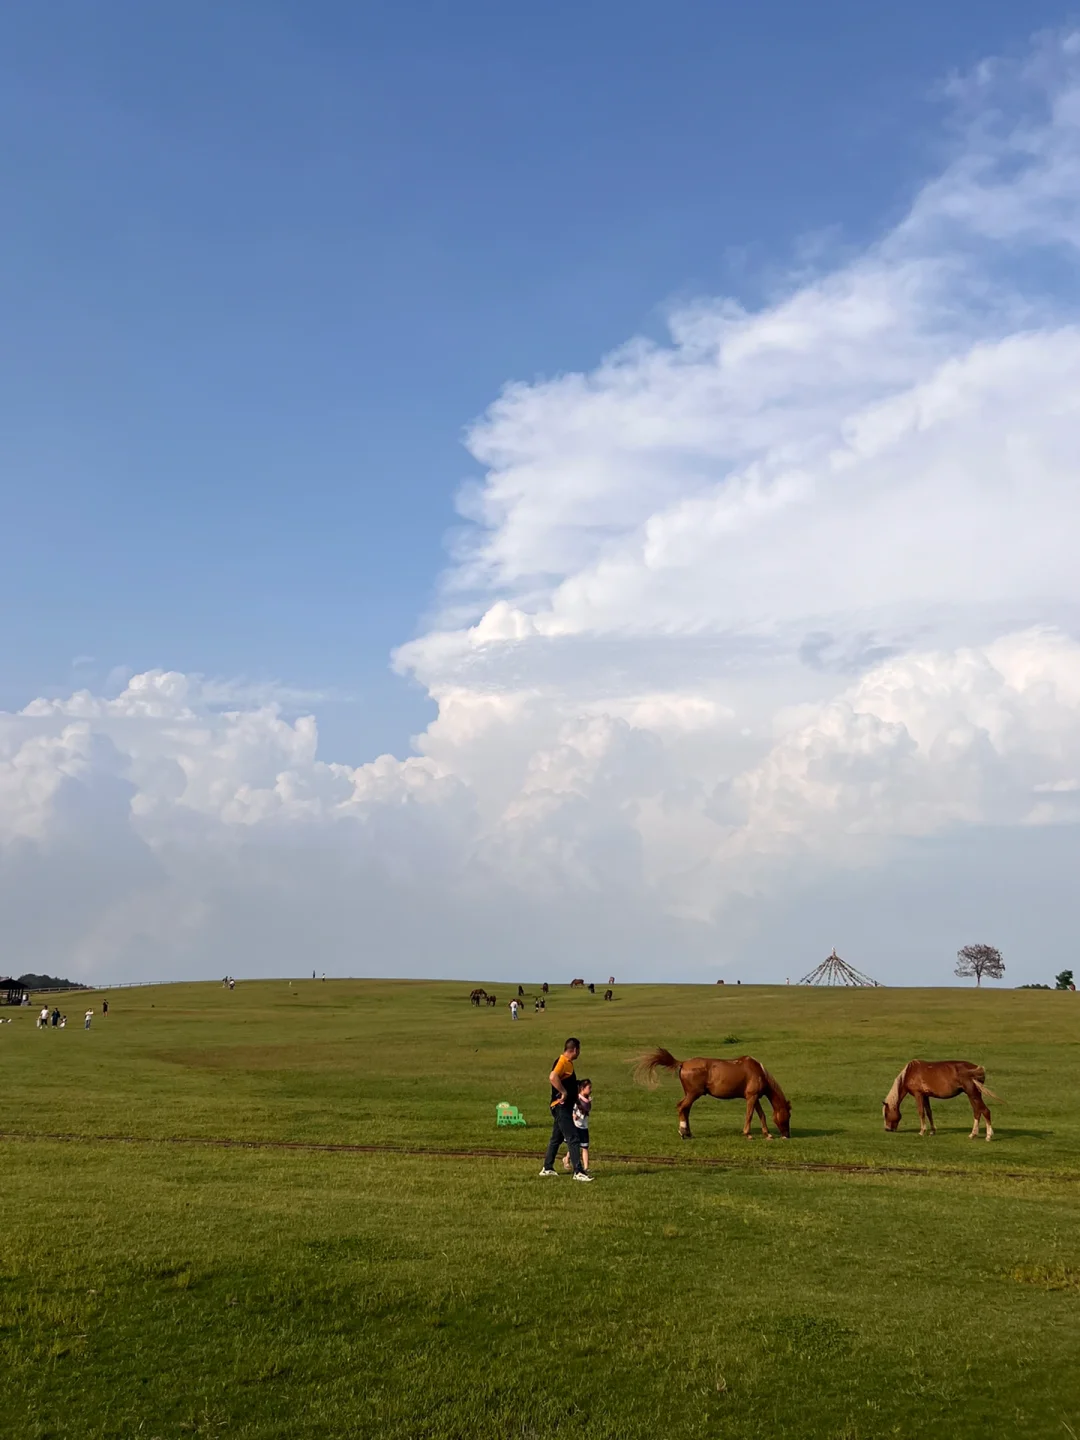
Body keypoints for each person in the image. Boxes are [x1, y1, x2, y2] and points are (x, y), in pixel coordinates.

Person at [540, 1038, 591, 1181]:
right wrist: (563, 1092)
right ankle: (578, 1172)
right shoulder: (562, 1062)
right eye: (579, 1050)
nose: (579, 1052)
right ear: (574, 1049)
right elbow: (552, 1077)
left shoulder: (568, 1064)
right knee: (573, 1138)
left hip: (565, 1107)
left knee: (556, 1138)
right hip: (560, 1107)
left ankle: (547, 1167)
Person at [562, 1078, 592, 1174]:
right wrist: (574, 1116)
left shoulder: (587, 1100)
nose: (590, 1090)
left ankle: (586, 1167)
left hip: (584, 1127)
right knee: (574, 1146)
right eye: (589, 1087)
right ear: (582, 1088)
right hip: (576, 1126)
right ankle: (566, 1159)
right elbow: (573, 1110)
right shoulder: (577, 1099)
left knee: (585, 1147)